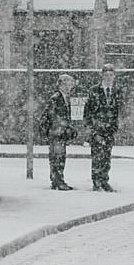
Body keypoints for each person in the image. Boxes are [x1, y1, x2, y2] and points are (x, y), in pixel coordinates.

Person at [84, 64, 122, 192]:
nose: (108, 78)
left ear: (114, 76)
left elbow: (118, 110)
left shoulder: (116, 91)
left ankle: (105, 180)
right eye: (106, 75)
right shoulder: (94, 90)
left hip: (109, 129)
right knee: (97, 156)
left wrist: (115, 125)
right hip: (97, 129)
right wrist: (90, 127)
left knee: (107, 156)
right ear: (102, 76)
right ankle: (96, 181)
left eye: (111, 75)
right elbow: (87, 111)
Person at [39, 74, 77, 191]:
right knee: (57, 157)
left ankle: (58, 180)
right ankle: (57, 180)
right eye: (68, 84)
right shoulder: (56, 98)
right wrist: (60, 127)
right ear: (62, 84)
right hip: (57, 133)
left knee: (60, 157)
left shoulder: (64, 97)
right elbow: (51, 115)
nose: (70, 86)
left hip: (60, 133)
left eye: (71, 84)